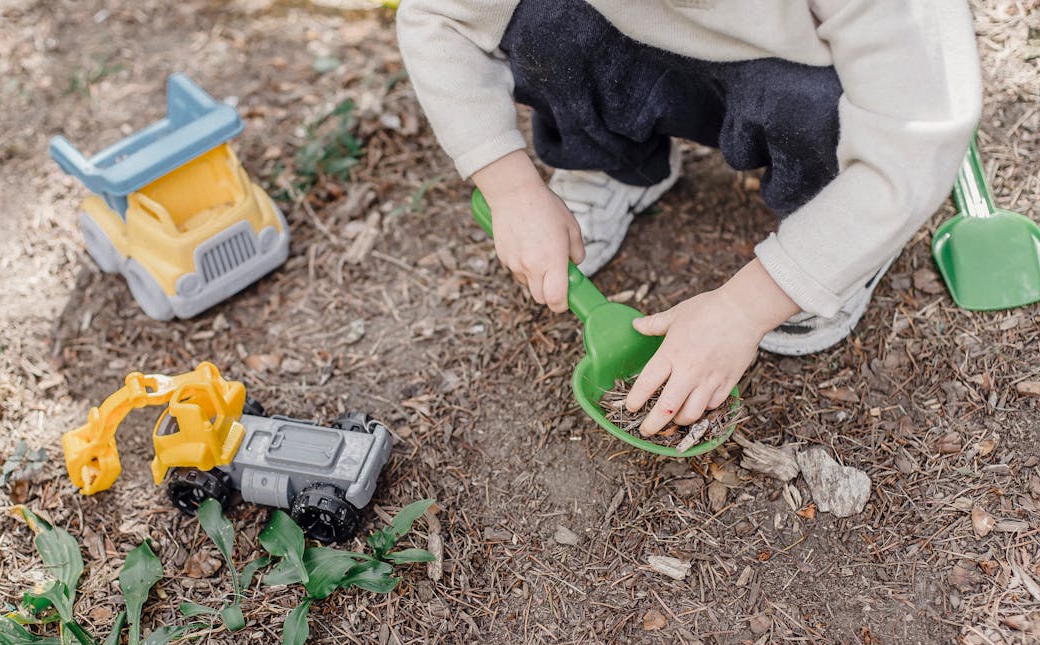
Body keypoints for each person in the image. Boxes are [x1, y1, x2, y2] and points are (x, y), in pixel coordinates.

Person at [396, 0, 982, 436]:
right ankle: (613, 159)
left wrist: (746, 305)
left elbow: (912, 143)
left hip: (792, 67)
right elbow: (437, 14)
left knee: (809, 104)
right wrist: (510, 187)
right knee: (542, 21)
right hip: (630, 33)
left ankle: (827, 230)